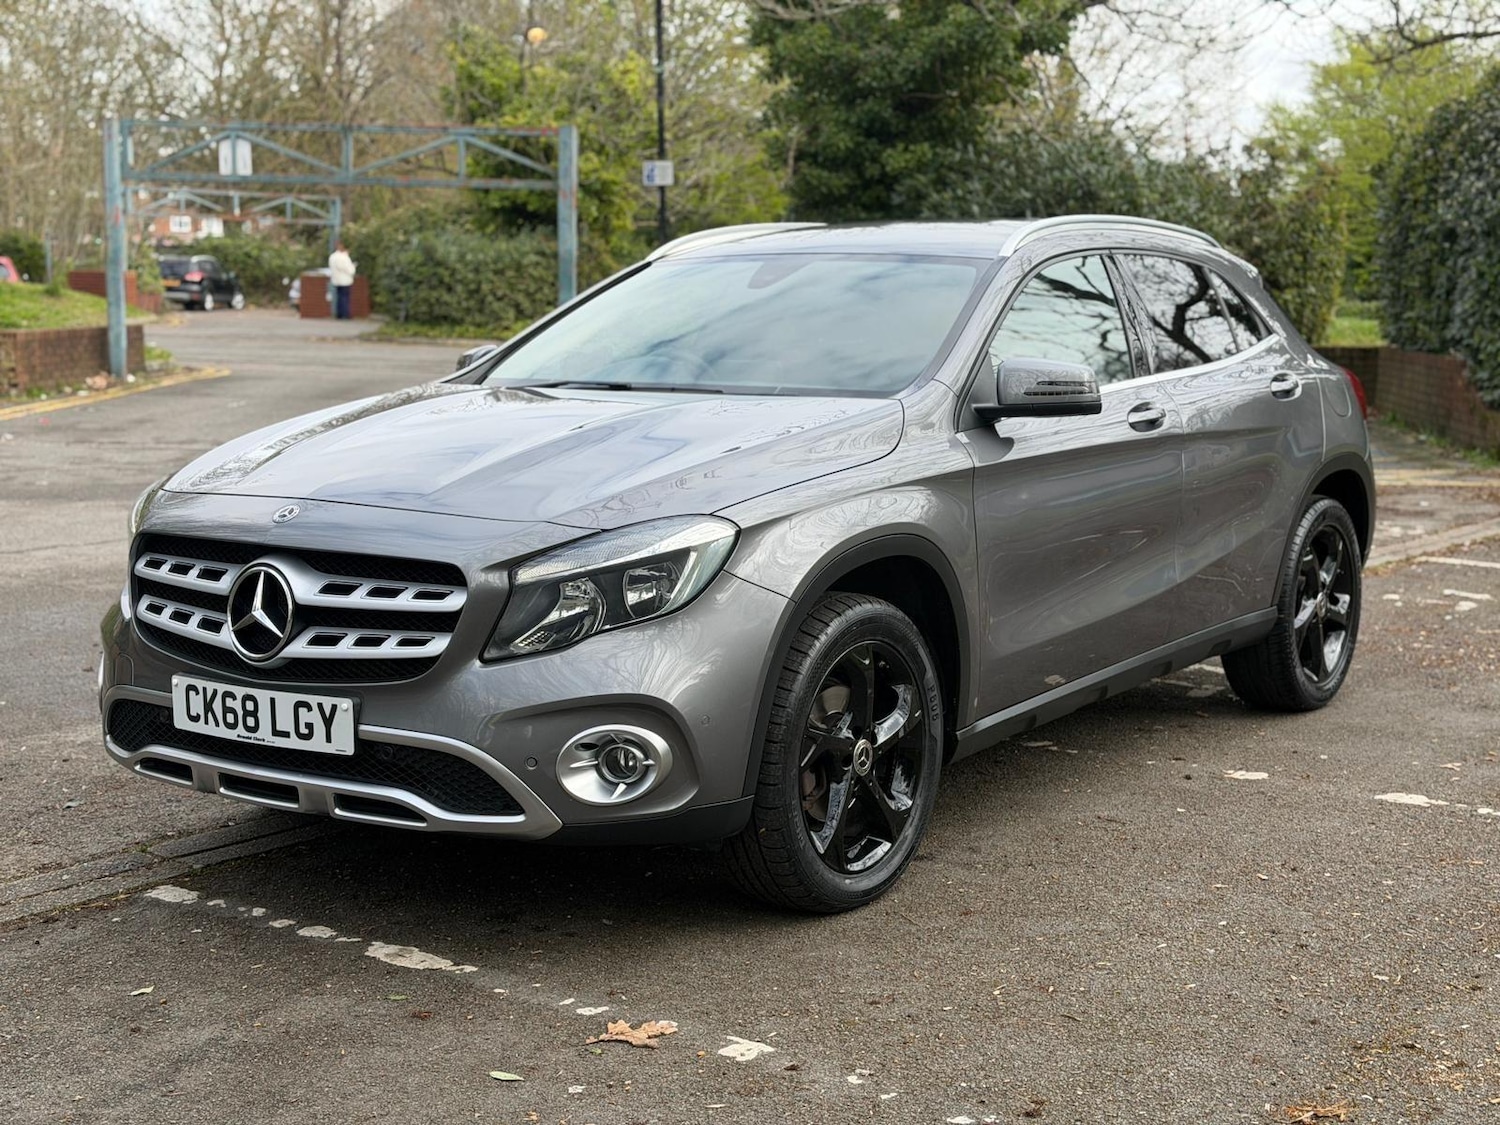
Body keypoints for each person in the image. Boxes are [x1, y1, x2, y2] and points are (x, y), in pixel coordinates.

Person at [328, 241, 356, 319]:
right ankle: (345, 314)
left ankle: (339, 313)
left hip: (336, 279)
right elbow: (349, 269)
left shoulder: (332, 257)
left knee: (339, 297)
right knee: (345, 297)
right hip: (345, 280)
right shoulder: (343, 257)